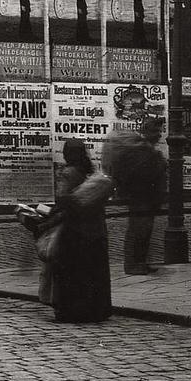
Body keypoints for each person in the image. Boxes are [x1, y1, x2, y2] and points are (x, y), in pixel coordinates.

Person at [42, 139, 113, 324]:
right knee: (90, 272)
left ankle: (70, 311)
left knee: (69, 272)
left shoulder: (68, 173)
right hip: (95, 229)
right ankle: (93, 310)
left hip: (73, 230)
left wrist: (47, 215)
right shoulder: (91, 172)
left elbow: (64, 200)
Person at [108, 113, 168, 275]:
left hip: (146, 198)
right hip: (141, 198)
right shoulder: (140, 150)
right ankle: (133, 264)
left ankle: (140, 262)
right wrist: (159, 163)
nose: (159, 135)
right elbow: (144, 173)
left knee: (144, 231)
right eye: (156, 131)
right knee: (138, 231)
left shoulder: (146, 149)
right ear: (147, 132)